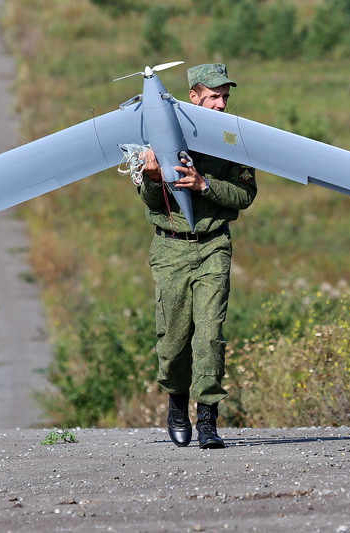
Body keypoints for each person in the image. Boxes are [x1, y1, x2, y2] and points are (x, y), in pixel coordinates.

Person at [137, 63, 257, 449]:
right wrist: (154, 178)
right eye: (214, 96)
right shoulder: (161, 129)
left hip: (213, 246)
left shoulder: (234, 137)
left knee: (209, 336)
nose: (221, 104)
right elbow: (151, 203)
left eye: (226, 97)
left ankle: (207, 420)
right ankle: (176, 404)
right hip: (169, 246)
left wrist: (206, 185)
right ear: (194, 95)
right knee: (172, 341)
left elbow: (244, 196)